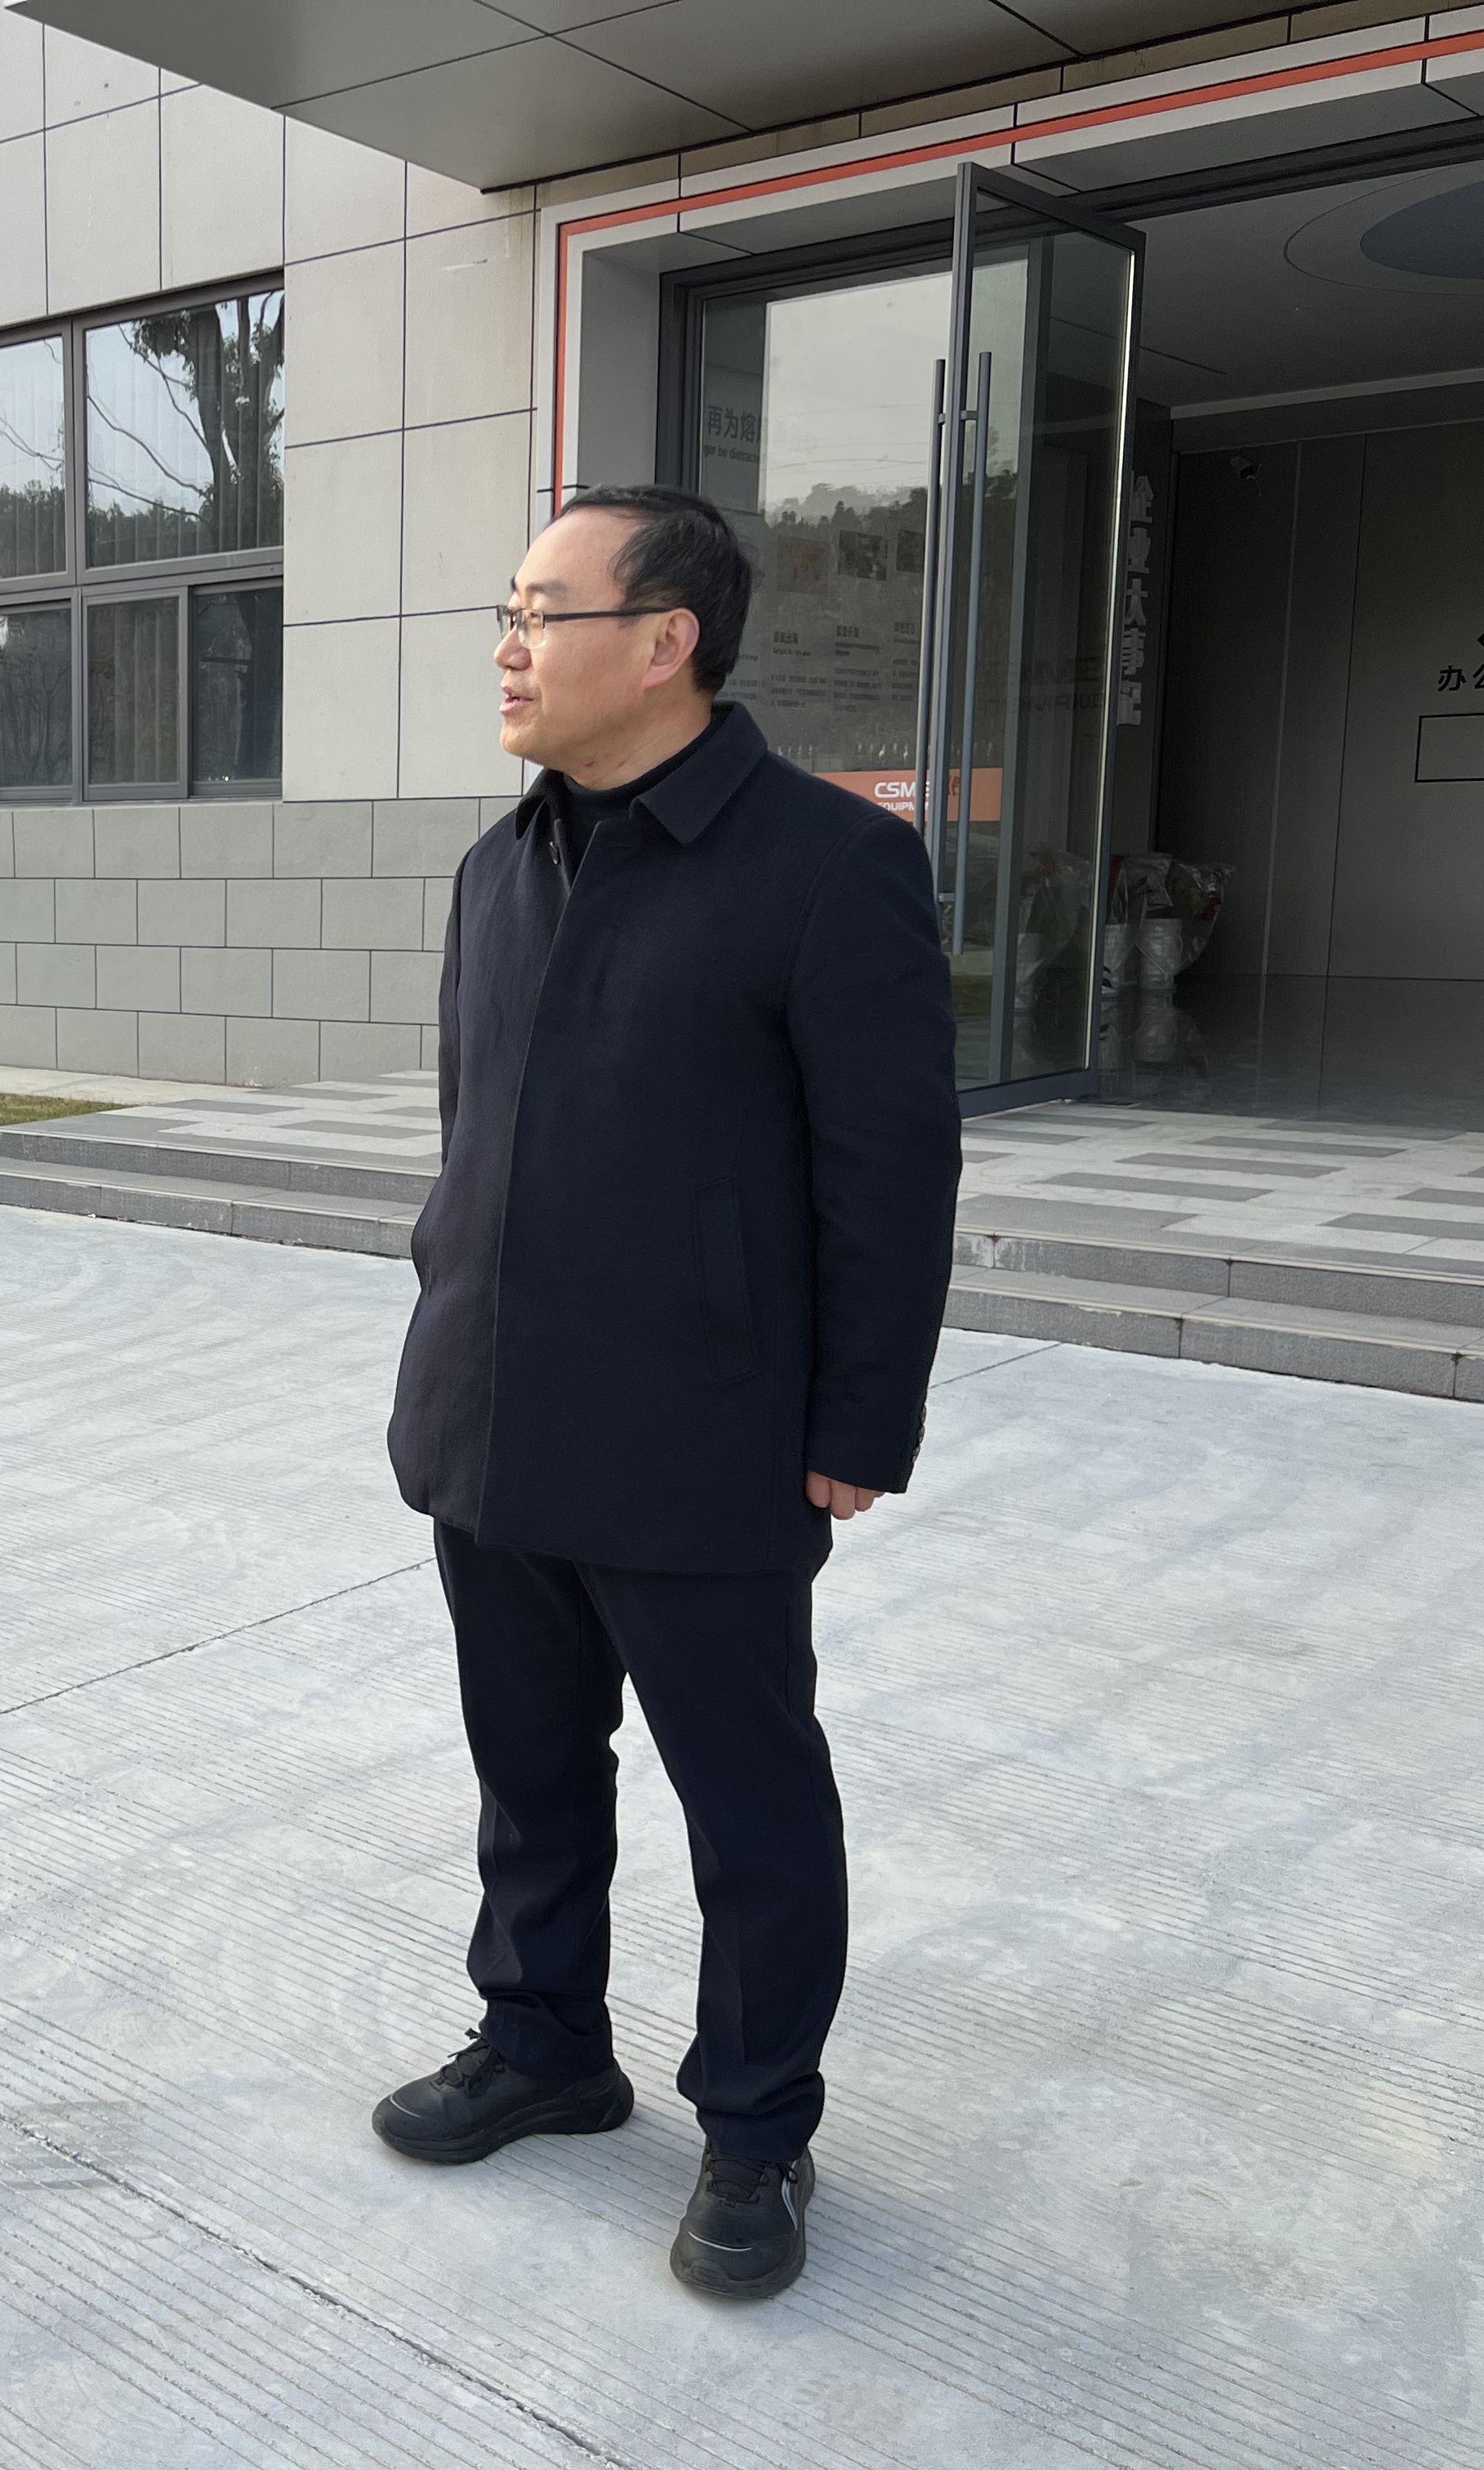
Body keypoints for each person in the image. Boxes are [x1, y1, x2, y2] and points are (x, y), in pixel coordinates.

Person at [370, 484, 960, 2301]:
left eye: (540, 611)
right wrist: (446, 1307)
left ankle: (759, 2127)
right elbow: (477, 1134)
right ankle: (545, 2039)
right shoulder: (497, 869)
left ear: (665, 641)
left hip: (707, 1438)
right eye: (506, 610)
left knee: (751, 1805)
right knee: (529, 1771)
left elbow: (891, 1175)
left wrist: (858, 1425)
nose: (508, 647)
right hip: (494, 1421)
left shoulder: (829, 865)